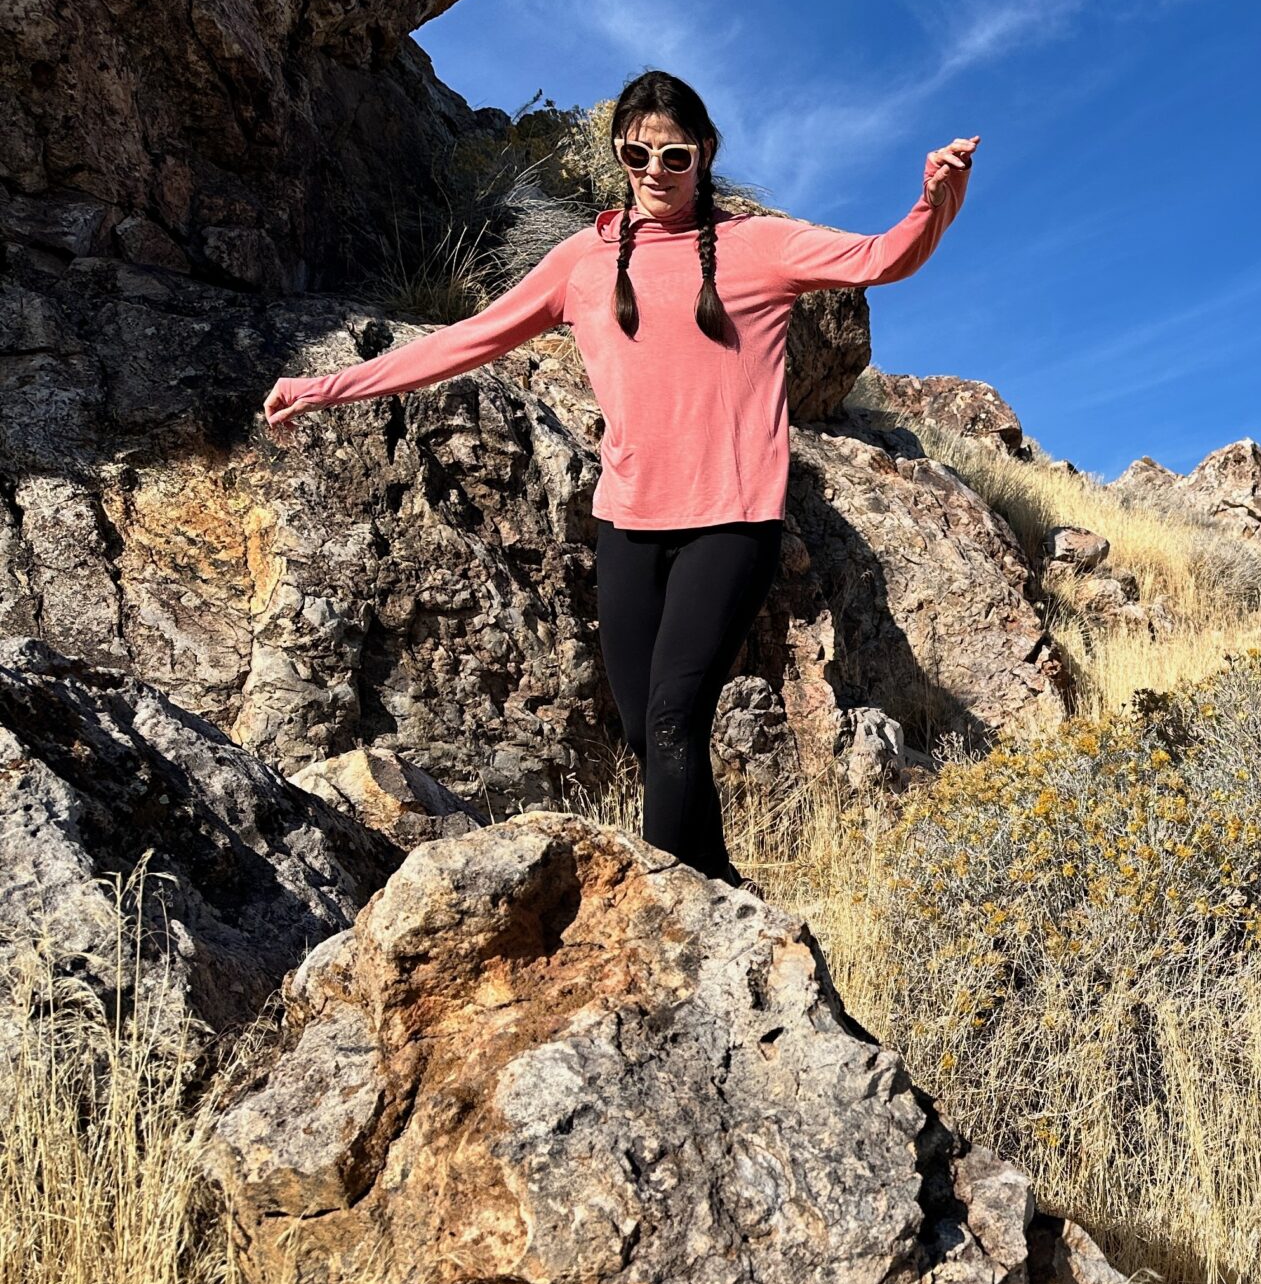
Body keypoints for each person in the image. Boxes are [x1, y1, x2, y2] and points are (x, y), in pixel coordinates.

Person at [262, 69, 976, 892]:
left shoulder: (762, 245)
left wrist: (935, 199)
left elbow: (885, 257)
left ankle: (671, 917)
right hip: (630, 523)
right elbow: (465, 341)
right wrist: (323, 387)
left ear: (705, 154)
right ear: (619, 152)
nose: (655, 171)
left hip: (731, 520)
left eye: (675, 155)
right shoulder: (580, 261)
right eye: (637, 153)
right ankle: (721, 891)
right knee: (646, 733)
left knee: (676, 719)